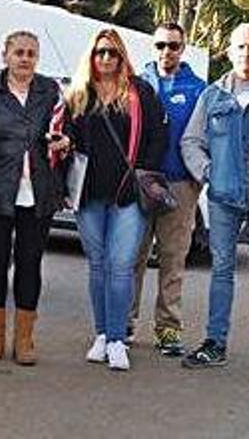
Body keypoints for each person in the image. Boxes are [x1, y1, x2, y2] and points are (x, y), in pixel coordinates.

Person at [64, 29, 168, 371]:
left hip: (127, 194)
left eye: (112, 53)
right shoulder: (78, 95)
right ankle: (101, 334)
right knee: (97, 265)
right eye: (100, 53)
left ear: (122, 57)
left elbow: (157, 138)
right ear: (91, 57)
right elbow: (69, 139)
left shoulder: (141, 93)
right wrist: (62, 145)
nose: (106, 58)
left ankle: (117, 338)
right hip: (89, 193)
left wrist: (141, 173)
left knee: (121, 266)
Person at [0, 31, 67, 365]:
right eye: (19, 52)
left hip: (38, 192)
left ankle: (24, 339)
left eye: (31, 54)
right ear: (5, 55)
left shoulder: (49, 89)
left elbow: (66, 130)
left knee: (29, 264)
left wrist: (64, 143)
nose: (25, 59)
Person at [179, 23, 249, 371]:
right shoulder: (212, 96)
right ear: (229, 51)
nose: (246, 54)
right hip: (222, 199)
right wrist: (208, 173)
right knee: (221, 271)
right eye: (240, 47)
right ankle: (215, 343)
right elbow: (191, 141)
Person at [128, 22, 206, 356]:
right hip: (139, 181)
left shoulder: (199, 88)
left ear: (183, 47)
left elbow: (205, 137)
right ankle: (123, 324)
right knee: (132, 256)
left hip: (178, 183)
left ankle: (168, 329)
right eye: (160, 45)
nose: (166, 52)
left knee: (173, 258)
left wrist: (198, 177)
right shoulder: (135, 83)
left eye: (173, 46)